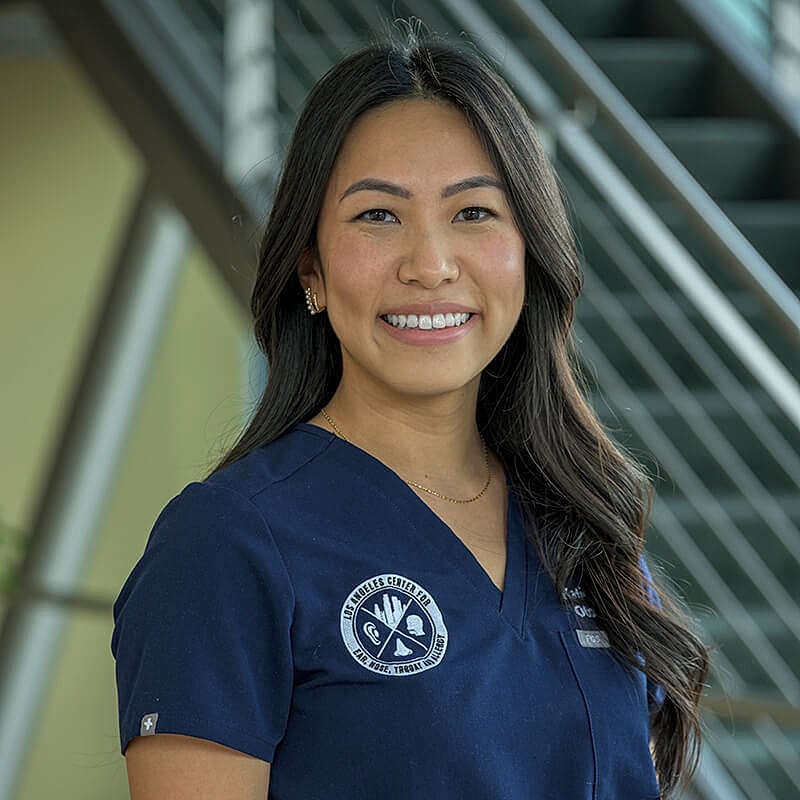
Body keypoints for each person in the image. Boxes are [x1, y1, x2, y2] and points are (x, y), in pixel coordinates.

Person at [112, 27, 709, 800]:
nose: (430, 264)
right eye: (377, 217)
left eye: (473, 213)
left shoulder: (586, 530)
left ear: (529, 253)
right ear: (311, 272)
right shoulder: (225, 545)